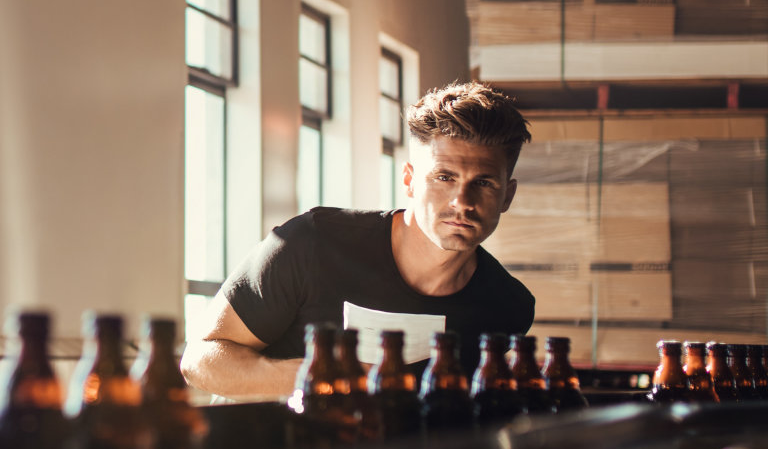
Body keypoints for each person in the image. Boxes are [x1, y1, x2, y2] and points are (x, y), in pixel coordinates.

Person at [181, 81, 536, 401]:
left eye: (485, 183)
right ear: (410, 181)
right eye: (444, 177)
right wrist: (313, 377)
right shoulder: (314, 243)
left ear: (507, 195)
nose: (462, 201)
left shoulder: (507, 306)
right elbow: (199, 360)